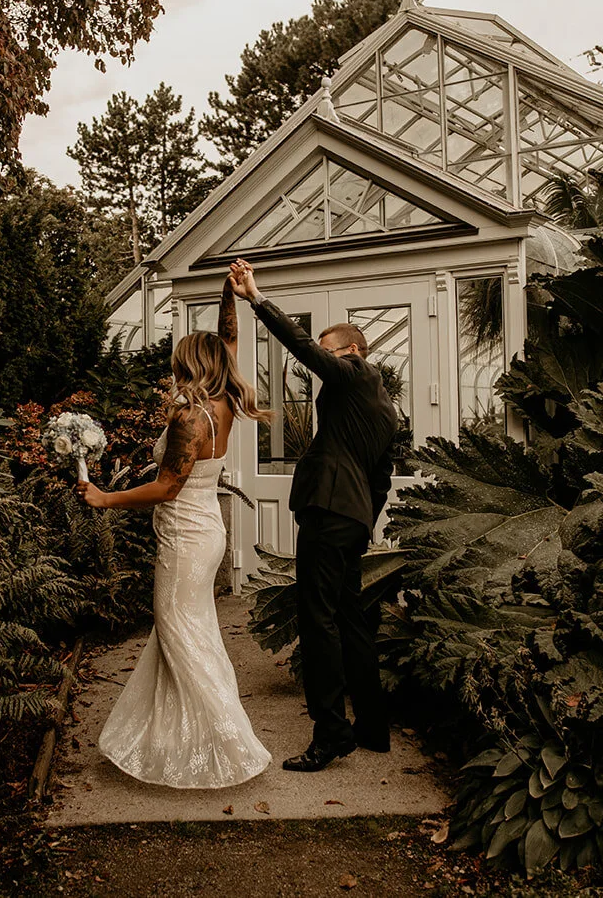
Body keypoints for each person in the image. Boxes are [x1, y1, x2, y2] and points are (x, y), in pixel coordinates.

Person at [77, 272, 272, 788]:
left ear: (189, 365)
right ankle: (168, 738)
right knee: (188, 632)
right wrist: (231, 293)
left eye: (177, 359)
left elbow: (166, 488)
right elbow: (228, 337)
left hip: (186, 539)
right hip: (203, 530)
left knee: (182, 636)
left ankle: (230, 743)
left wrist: (105, 498)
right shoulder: (224, 400)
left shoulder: (191, 418)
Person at [228, 258, 396, 772]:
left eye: (328, 353)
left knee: (317, 618)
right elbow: (381, 477)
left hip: (329, 512)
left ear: (351, 351)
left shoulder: (354, 375)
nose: (320, 362)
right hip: (352, 517)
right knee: (350, 618)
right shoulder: (384, 406)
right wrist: (364, 519)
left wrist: (257, 298)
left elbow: (302, 347)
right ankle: (372, 728)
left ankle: (330, 735)